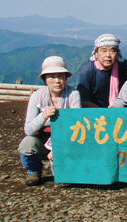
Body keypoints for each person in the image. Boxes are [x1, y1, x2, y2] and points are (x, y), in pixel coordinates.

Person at [18, 56, 80, 186]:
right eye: (51, 76)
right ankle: (33, 171)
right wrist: (43, 116)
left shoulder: (73, 94)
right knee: (27, 144)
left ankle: (63, 169)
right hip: (42, 139)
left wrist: (58, 147)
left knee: (63, 178)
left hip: (66, 140)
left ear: (66, 78)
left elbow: (76, 125)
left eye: (61, 76)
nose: (57, 81)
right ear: (45, 80)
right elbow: (28, 129)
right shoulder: (37, 97)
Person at [76, 34, 127, 107]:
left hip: (121, 109)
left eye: (112, 51)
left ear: (117, 53)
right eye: (103, 51)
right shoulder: (86, 70)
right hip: (94, 112)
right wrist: (105, 113)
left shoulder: (126, 67)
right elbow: (83, 100)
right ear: (96, 53)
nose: (108, 55)